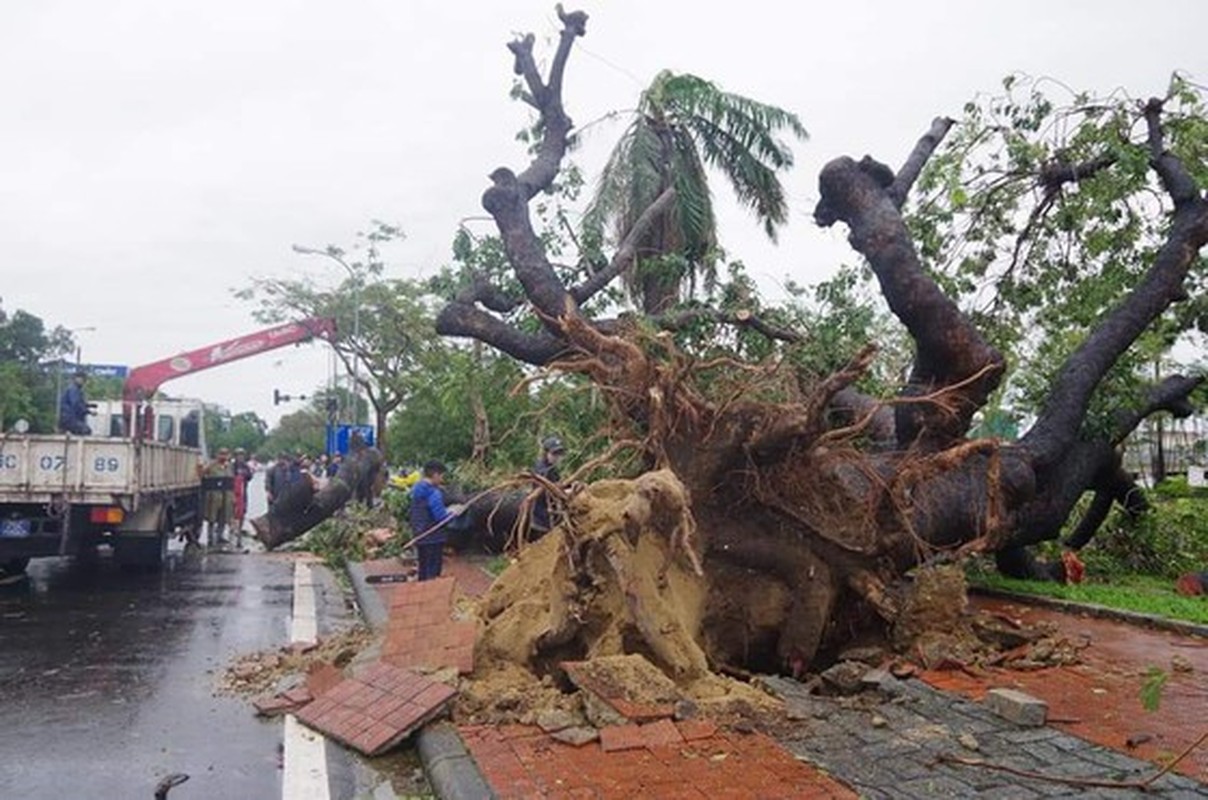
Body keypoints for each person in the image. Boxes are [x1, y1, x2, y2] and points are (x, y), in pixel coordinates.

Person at [409, 460, 456, 581]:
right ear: (435, 475)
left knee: (423, 569)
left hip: (420, 535)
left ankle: (421, 595)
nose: (442, 480)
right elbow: (440, 517)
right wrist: (453, 513)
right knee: (433, 572)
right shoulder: (434, 493)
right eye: (441, 476)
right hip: (433, 537)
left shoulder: (416, 489)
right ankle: (431, 597)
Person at [200, 447, 235, 546]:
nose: (223, 456)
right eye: (221, 454)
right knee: (212, 517)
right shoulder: (211, 465)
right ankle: (210, 538)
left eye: (225, 454)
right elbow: (202, 475)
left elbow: (232, 481)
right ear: (217, 455)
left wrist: (233, 497)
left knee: (223, 516)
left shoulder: (229, 466)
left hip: (226, 495)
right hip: (214, 496)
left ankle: (220, 536)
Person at [531, 436, 566, 532]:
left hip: (552, 510)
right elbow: (546, 489)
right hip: (542, 515)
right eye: (554, 454)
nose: (557, 457)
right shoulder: (541, 469)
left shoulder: (552, 468)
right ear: (546, 453)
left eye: (559, 454)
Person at [230, 447, 254, 546]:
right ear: (235, 456)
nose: (240, 457)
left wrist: (245, 474)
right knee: (232, 512)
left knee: (242, 512)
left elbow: (249, 477)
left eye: (242, 455)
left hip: (243, 491)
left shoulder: (246, 466)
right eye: (238, 455)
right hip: (233, 491)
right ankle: (232, 532)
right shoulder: (232, 466)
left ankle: (239, 531)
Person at [58, 370, 92, 435]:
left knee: (82, 429)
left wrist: (90, 406)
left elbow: (80, 403)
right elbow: (76, 404)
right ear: (76, 379)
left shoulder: (76, 390)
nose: (83, 381)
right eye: (81, 379)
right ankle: (79, 444)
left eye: (84, 379)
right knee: (86, 430)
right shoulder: (73, 389)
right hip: (69, 419)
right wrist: (88, 411)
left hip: (70, 418)